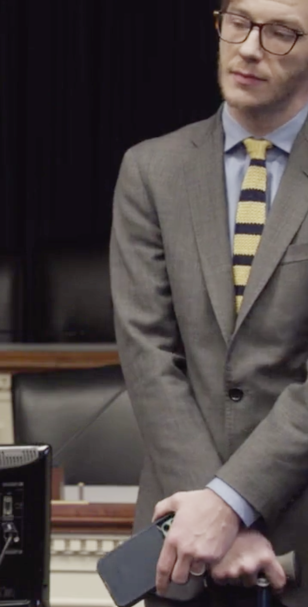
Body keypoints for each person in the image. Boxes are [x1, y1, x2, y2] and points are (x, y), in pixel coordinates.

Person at [110, 0, 308, 604]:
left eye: (281, 33)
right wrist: (214, 513)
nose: (249, 47)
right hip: (178, 537)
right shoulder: (150, 169)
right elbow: (148, 356)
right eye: (239, 22)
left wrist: (233, 500)